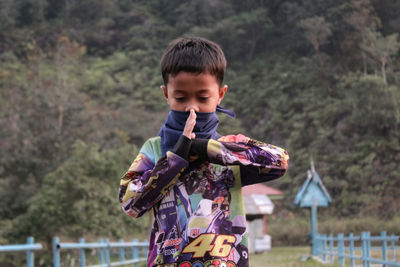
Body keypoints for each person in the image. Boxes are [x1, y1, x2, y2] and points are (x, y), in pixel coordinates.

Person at [119, 36, 289, 267]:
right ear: (166, 94)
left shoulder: (231, 149)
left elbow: (279, 161)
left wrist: (204, 148)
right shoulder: (154, 148)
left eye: (203, 97)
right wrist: (176, 158)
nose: (192, 108)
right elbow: (129, 203)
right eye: (180, 98)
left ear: (220, 94)